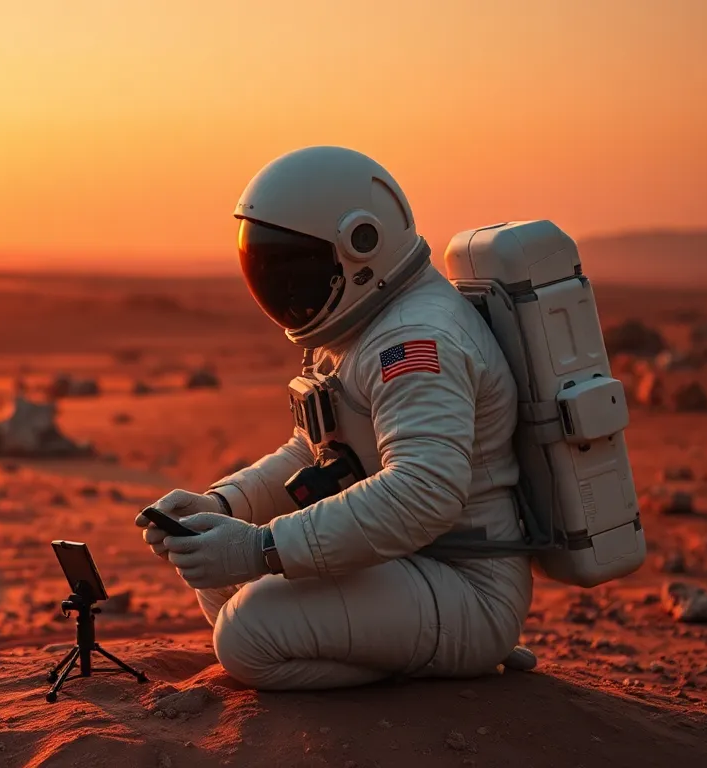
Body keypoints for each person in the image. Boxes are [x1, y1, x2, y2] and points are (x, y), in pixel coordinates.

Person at [137, 146, 534, 690]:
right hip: (407, 568)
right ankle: (417, 649)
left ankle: (443, 659)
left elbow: (424, 490)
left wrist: (262, 549)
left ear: (360, 246)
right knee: (213, 559)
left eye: (296, 267)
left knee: (247, 633)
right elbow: (312, 450)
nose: (286, 287)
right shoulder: (360, 329)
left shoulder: (413, 343)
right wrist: (222, 504)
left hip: (466, 584)